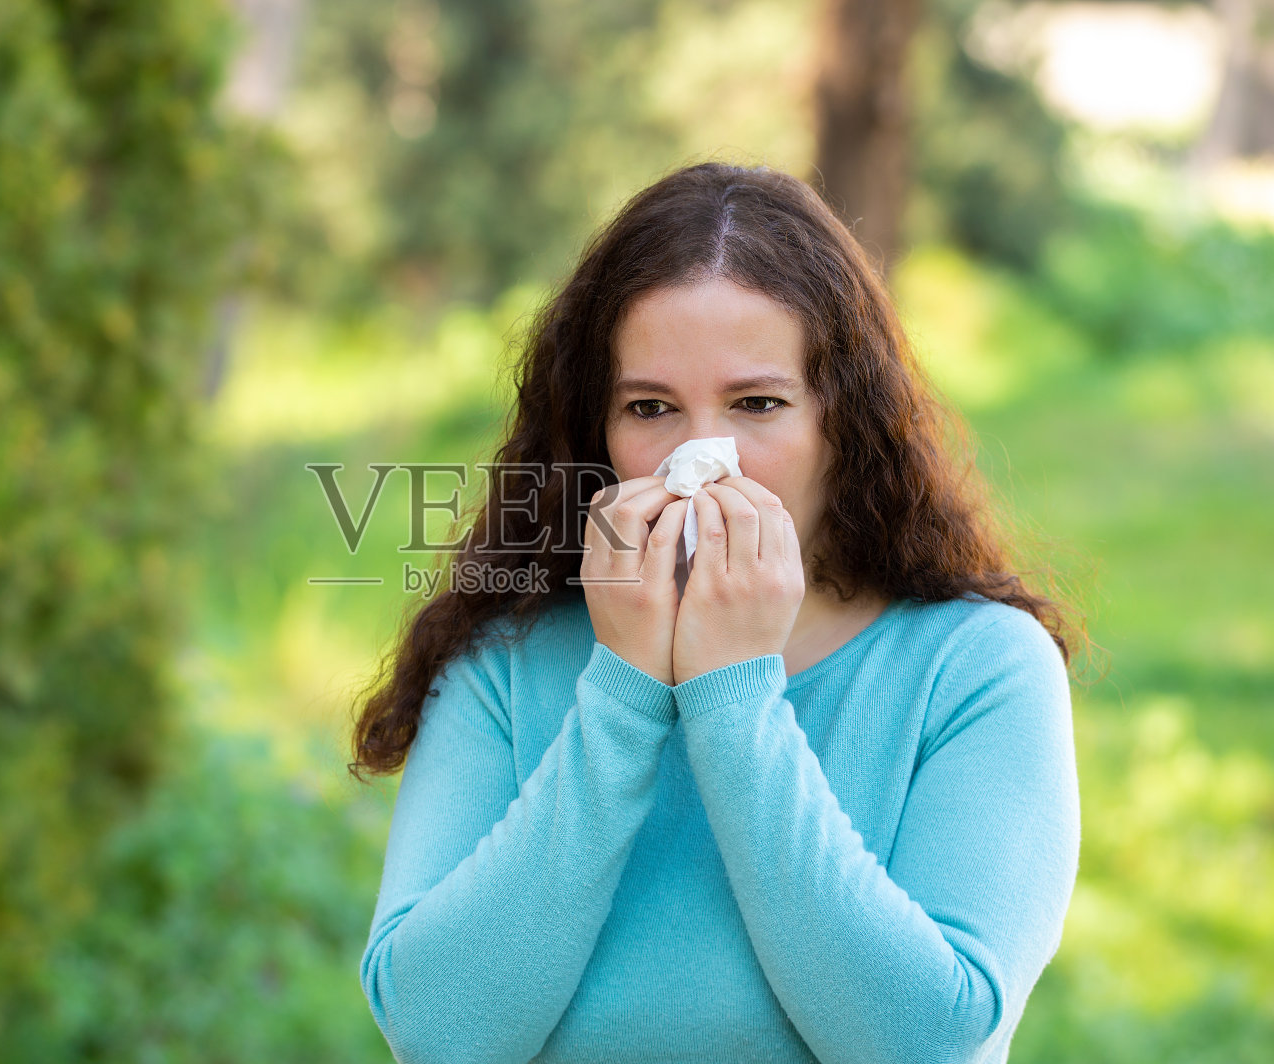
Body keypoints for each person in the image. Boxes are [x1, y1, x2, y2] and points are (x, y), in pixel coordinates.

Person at [350, 162, 1085, 1064]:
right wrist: (622, 693)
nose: (705, 459)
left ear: (842, 423)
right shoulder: (506, 657)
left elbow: (927, 1041)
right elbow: (436, 1031)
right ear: (599, 432)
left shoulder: (977, 667)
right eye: (651, 407)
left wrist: (733, 698)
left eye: (758, 404)